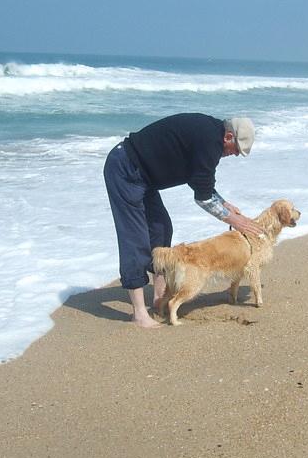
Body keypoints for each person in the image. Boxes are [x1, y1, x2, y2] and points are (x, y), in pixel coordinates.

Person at [103, 113, 262, 328]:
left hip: (145, 177)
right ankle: (139, 314)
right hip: (125, 169)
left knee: (161, 229)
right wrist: (235, 220)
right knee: (135, 238)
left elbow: (201, 181)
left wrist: (224, 204)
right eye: (235, 150)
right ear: (228, 137)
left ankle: (160, 296)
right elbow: (203, 197)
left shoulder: (211, 136)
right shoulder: (209, 143)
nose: (234, 155)